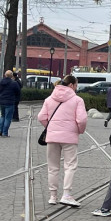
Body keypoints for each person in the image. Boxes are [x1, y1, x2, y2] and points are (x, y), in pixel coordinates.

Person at [37, 75, 87, 206]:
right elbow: (81, 120)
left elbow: (41, 116)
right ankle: (66, 194)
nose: (76, 88)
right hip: (69, 137)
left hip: (52, 137)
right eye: (76, 85)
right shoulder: (77, 100)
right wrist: (79, 130)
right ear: (71, 85)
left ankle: (52, 196)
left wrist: (51, 127)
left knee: (52, 167)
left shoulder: (49, 99)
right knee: (70, 165)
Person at [0, 70, 22, 137]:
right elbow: (18, 92)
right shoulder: (14, 83)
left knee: (2, 116)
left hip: (1, 102)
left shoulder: (1, 82)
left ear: (5, 75)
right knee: (8, 118)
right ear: (12, 76)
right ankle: (5, 133)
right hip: (10, 102)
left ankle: (0, 131)